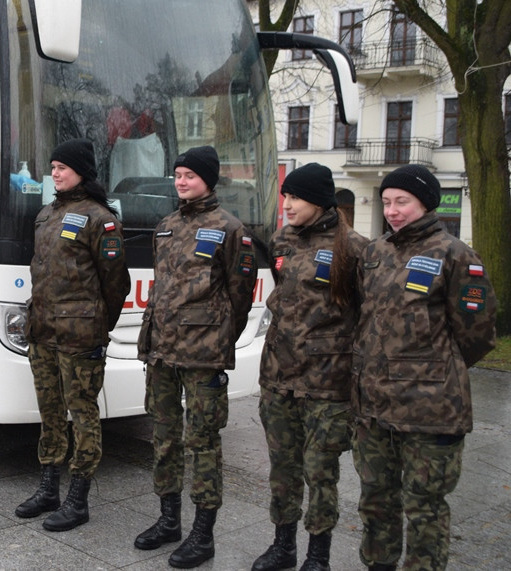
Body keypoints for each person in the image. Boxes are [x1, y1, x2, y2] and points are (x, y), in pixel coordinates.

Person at [353, 164, 495, 570]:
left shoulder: (455, 254)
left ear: (425, 203)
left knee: (425, 508)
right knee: (376, 499)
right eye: (387, 202)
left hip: (430, 411)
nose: (393, 211)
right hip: (375, 408)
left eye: (403, 202)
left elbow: (478, 334)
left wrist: (431, 370)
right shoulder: (376, 252)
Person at [136, 145, 256, 568]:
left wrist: (217, 335)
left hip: (203, 355)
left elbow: (241, 296)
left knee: (202, 442)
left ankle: (202, 535)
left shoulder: (230, 229)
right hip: (162, 351)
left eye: (189, 175)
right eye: (178, 175)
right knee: (164, 437)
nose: (181, 181)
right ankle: (169, 520)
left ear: (209, 178)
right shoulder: (166, 226)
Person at [251, 163, 367, 571]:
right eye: (285, 196)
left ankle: (318, 555)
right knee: (283, 467)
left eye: (295, 197)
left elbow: (366, 316)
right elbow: (282, 295)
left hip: (327, 384)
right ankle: (283, 546)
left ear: (319, 200)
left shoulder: (353, 248)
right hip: (279, 377)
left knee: (321, 473)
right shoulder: (280, 240)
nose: (288, 204)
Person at [15, 138, 130, 532]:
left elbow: (116, 285)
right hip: (43, 331)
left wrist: (97, 324)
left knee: (82, 414)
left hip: (81, 336)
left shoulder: (102, 219)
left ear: (82, 170)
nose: (55, 172)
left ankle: (77, 499)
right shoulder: (47, 213)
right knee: (49, 413)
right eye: (53, 166)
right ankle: (48, 488)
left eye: (62, 167)